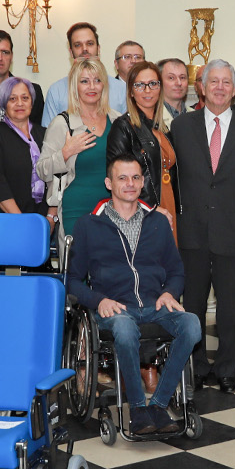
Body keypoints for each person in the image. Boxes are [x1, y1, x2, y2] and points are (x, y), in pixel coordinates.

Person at [66, 154, 202, 437]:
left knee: (192, 325)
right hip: (114, 308)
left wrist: (170, 292)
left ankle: (160, 404)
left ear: (142, 183)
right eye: (122, 178)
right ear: (109, 183)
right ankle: (139, 409)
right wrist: (98, 300)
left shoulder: (158, 222)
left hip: (155, 304)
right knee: (125, 330)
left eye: (136, 178)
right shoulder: (88, 225)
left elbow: (176, 271)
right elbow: (73, 280)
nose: (130, 184)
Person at [172, 59, 235, 393]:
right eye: (214, 82)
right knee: (192, 305)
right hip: (191, 230)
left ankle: (227, 368)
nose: (220, 88)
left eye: (227, 82)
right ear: (201, 86)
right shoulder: (182, 126)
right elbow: (173, 180)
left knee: (231, 308)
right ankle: (195, 367)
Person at [38, 57, 114, 236]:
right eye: (85, 81)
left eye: (97, 80)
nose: (92, 87)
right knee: (78, 262)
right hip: (76, 209)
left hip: (114, 208)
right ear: (75, 86)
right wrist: (65, 153)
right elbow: (42, 170)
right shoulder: (62, 123)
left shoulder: (117, 120)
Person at [106, 60, 177, 224]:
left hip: (168, 203)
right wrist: (148, 207)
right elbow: (117, 178)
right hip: (143, 211)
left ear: (160, 88)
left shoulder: (164, 128)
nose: (147, 90)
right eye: (139, 85)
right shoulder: (123, 126)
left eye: (153, 83)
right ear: (131, 91)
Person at [0, 76, 55, 223]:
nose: (19, 103)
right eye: (12, 99)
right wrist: (21, 222)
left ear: (32, 102)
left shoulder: (45, 134)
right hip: (8, 220)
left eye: (25, 98)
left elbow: (57, 177)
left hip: (43, 221)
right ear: (4, 103)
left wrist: (51, 217)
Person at [43, 22, 126, 125]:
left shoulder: (121, 89)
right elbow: (48, 135)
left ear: (98, 48)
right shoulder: (56, 90)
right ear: (71, 52)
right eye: (78, 45)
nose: (84, 49)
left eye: (90, 43)